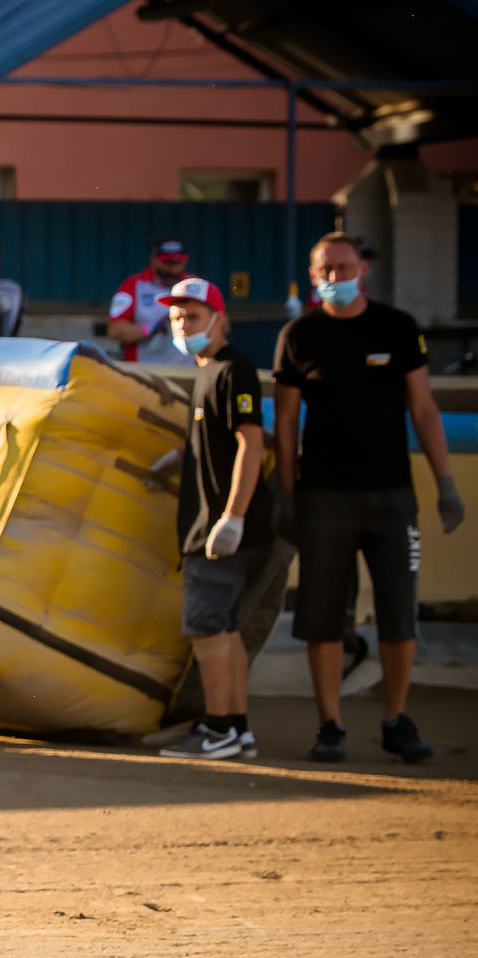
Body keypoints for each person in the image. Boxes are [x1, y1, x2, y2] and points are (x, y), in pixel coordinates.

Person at [273, 232, 462, 763]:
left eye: (344, 266)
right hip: (324, 500)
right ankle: (329, 723)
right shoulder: (299, 334)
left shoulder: (397, 328)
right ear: (313, 276)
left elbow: (423, 408)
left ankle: (396, 719)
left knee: (399, 613)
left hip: (391, 498)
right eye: (325, 269)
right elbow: (285, 423)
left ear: (364, 270)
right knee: (323, 615)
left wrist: (445, 485)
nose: (336, 277)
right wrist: (287, 497)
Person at [150, 279, 271, 760]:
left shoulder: (233, 370)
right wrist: (179, 457)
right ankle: (236, 729)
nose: (183, 326)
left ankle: (217, 727)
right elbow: (217, 437)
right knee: (225, 628)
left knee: (205, 625)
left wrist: (232, 518)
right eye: (177, 318)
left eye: (193, 317)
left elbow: (251, 442)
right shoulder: (206, 371)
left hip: (217, 525)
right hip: (209, 520)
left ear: (218, 318)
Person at [108, 236, 193, 362]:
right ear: (154, 260)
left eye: (176, 263)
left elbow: (222, 325)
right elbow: (115, 330)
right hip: (144, 372)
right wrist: (152, 328)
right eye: (167, 263)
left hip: (187, 371)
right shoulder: (134, 285)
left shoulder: (195, 286)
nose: (172, 269)